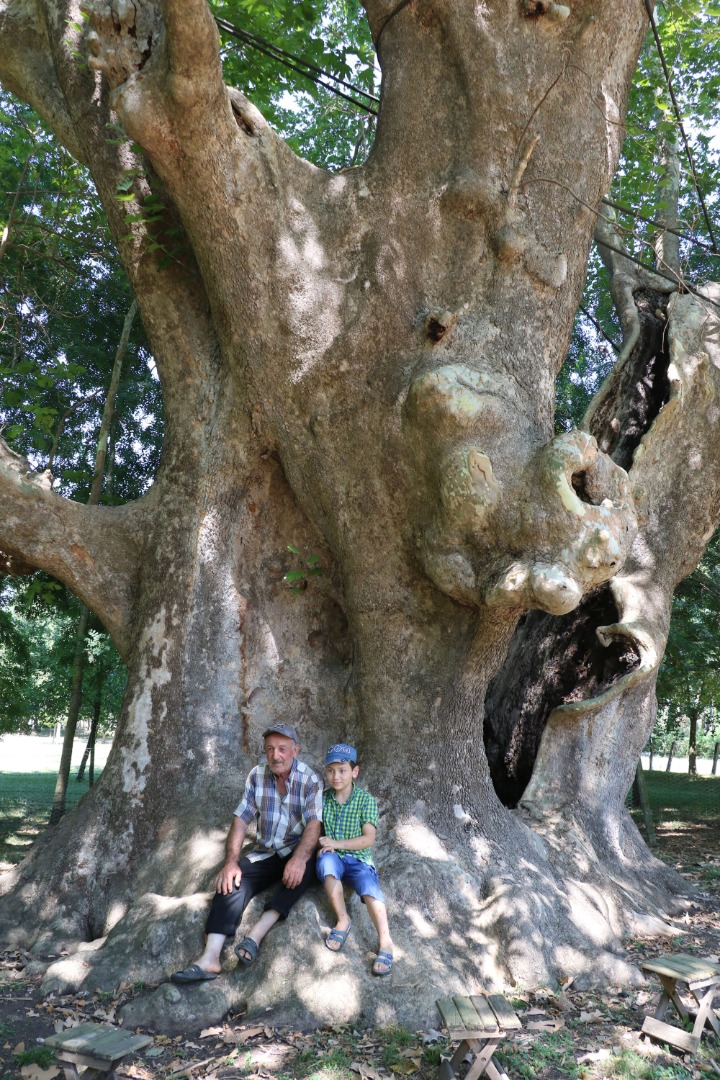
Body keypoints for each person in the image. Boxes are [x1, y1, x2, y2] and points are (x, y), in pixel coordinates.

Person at [171, 723, 323, 983]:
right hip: (266, 852)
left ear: (295, 751)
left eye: (283, 749)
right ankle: (210, 958)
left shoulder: (310, 780)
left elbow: (314, 824)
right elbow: (241, 819)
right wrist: (230, 862)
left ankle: (255, 936)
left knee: (307, 867)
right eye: (270, 749)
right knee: (231, 883)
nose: (276, 755)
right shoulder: (257, 775)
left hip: (295, 847)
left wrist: (298, 858)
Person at [316, 743, 394, 975]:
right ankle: (343, 920)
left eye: (342, 770)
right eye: (331, 770)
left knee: (370, 887)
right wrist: (324, 846)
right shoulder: (323, 799)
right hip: (334, 857)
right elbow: (314, 829)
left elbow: (368, 839)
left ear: (354, 772)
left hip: (358, 858)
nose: (336, 776)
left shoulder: (365, 800)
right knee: (326, 865)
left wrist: (335, 843)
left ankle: (386, 940)